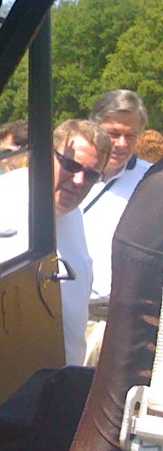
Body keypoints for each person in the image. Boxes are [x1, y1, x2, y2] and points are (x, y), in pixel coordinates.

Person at [0, 119, 111, 365]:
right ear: (45, 155)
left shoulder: (75, 216)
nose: (79, 181)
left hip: (57, 380)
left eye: (92, 175)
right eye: (71, 165)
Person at [82, 89, 151, 303]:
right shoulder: (66, 174)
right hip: (62, 312)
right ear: (93, 128)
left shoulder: (152, 182)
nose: (121, 144)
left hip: (119, 317)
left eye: (130, 135)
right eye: (113, 134)